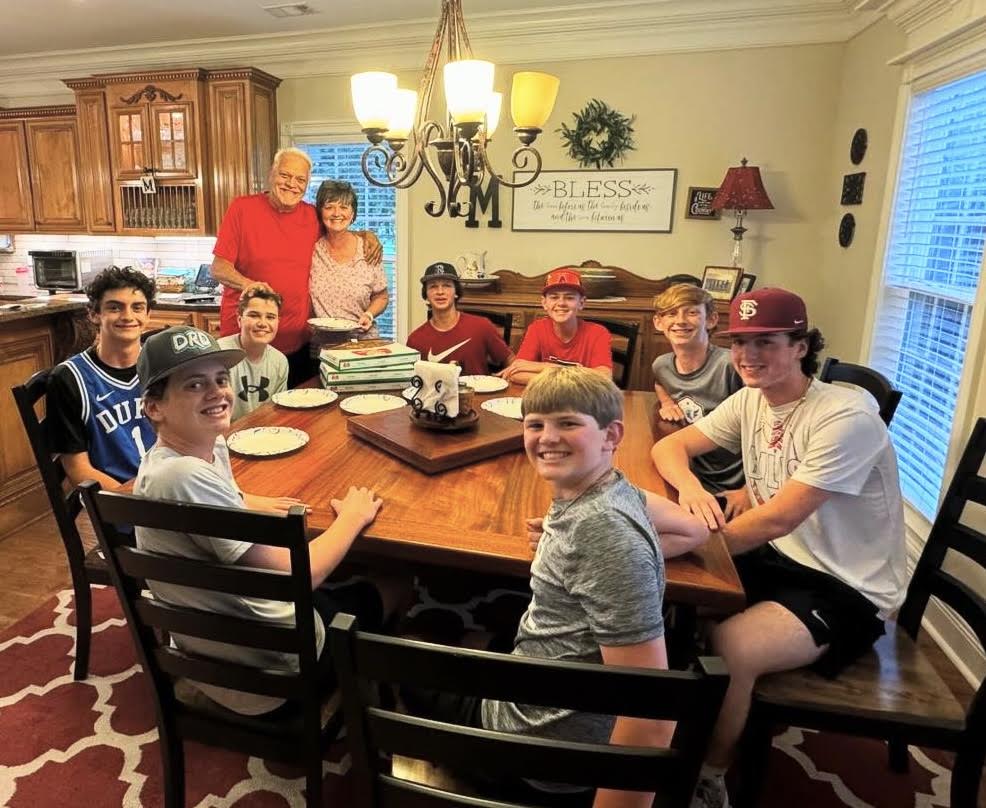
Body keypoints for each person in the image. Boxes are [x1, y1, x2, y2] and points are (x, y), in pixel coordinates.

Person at [404, 367, 709, 807]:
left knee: (409, 653)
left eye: (567, 423)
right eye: (535, 425)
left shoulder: (602, 532)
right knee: (476, 633)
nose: (547, 438)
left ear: (611, 435)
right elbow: (695, 530)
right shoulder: (615, 489)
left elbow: (650, 714)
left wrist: (598, 554)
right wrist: (575, 557)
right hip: (557, 689)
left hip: (539, 751)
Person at [650, 288, 907, 808]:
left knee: (734, 646)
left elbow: (779, 516)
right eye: (740, 342)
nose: (748, 355)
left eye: (766, 342)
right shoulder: (752, 398)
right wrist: (694, 491)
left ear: (801, 346)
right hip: (782, 553)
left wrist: (659, 547)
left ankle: (707, 777)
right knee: (673, 599)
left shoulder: (845, 417)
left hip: (846, 584)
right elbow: (670, 445)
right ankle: (667, 724)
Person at [135, 325, 403, 715]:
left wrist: (248, 501)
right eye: (194, 385)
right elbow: (299, 575)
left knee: (345, 568)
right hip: (273, 669)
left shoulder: (181, 456)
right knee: (396, 580)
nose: (217, 392)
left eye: (221, 379)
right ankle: (371, 700)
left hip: (225, 637)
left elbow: (219, 499)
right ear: (154, 408)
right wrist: (351, 517)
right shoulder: (184, 476)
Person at [210, 149, 382, 386]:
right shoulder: (242, 209)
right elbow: (219, 268)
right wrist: (250, 285)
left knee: (295, 406)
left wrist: (366, 235)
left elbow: (337, 226)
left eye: (300, 179)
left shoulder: (311, 216)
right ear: (272, 174)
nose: (292, 184)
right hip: (246, 341)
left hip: (296, 345)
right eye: (285, 175)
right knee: (240, 406)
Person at [46, 266, 157, 489]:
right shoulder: (69, 378)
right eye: (115, 307)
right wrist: (139, 503)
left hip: (168, 484)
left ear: (148, 315)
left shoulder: (161, 363)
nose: (128, 316)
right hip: (116, 499)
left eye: (137, 307)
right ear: (94, 314)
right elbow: (78, 469)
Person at [651, 283, 746, 517]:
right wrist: (667, 402)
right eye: (671, 313)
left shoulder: (730, 365)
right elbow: (659, 382)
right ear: (658, 322)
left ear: (711, 319)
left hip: (739, 484)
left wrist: (749, 491)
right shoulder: (662, 365)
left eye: (692, 312)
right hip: (698, 475)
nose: (680, 321)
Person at [498, 268, 613, 386]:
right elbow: (517, 373)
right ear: (544, 303)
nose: (561, 303)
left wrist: (548, 368)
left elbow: (604, 377)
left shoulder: (598, 333)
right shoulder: (537, 329)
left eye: (569, 298)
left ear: (581, 303)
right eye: (554, 297)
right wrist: (579, 377)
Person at [309, 179, 388, 340]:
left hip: (363, 341)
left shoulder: (368, 249)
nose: (336, 213)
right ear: (320, 212)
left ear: (352, 214)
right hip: (323, 344)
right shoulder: (312, 249)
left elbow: (381, 296)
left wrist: (369, 314)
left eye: (344, 207)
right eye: (329, 207)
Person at [405, 262, 514, 375]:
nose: (440, 292)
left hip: (478, 386)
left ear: (456, 292)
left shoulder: (482, 327)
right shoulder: (415, 340)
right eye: (433, 286)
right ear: (426, 295)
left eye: (447, 285)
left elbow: (511, 360)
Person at [217, 287, 288, 420]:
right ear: (239, 320)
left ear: (278, 322)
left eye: (270, 317)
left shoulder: (280, 361)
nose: (262, 323)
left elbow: (276, 411)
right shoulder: (220, 354)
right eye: (254, 315)